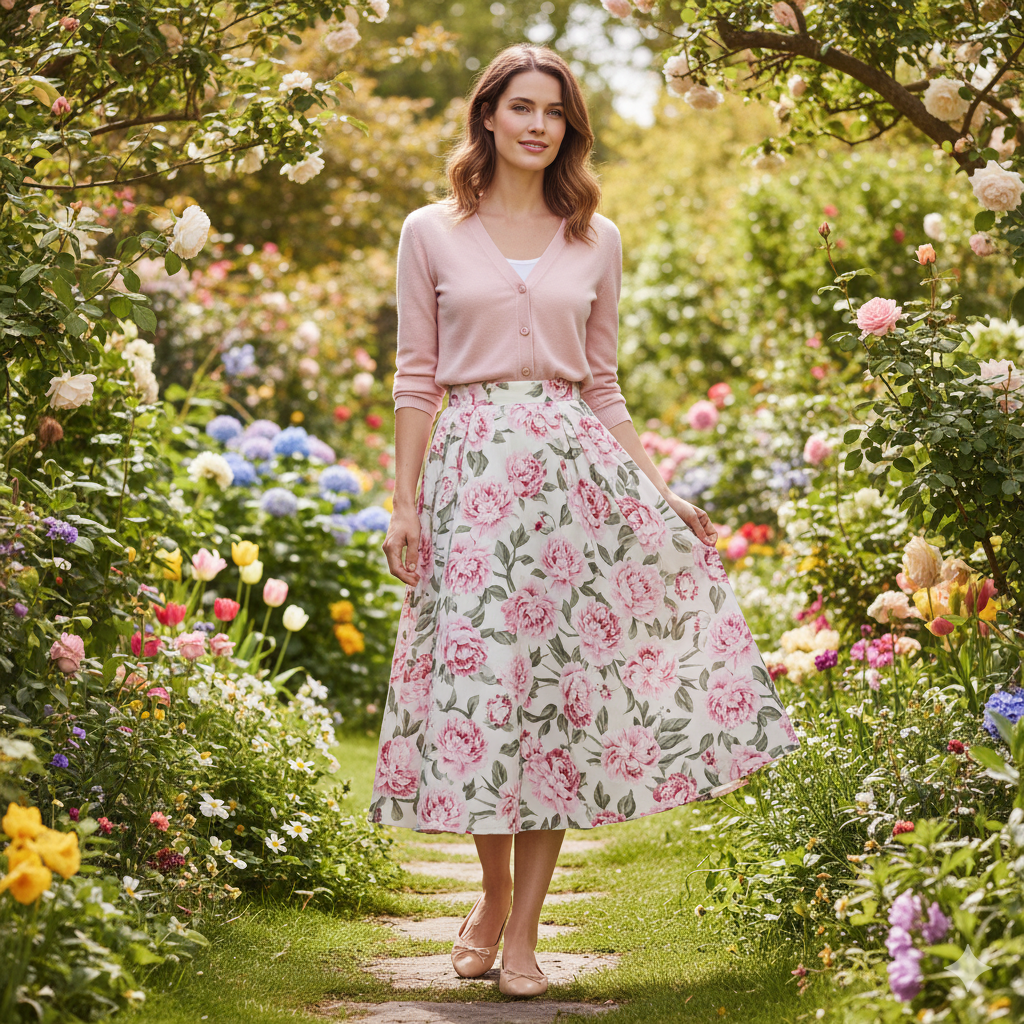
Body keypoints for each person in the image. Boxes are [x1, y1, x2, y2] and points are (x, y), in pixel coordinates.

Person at [370, 43, 800, 999]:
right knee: (487, 703)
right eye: (520, 107)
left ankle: (523, 937)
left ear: (568, 127)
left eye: (553, 112)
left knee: (554, 706)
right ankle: (488, 898)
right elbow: (414, 378)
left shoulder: (593, 237)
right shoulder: (430, 232)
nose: (536, 124)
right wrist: (404, 504)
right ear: (487, 116)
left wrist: (658, 490)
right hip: (472, 482)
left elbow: (602, 385)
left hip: (573, 485)